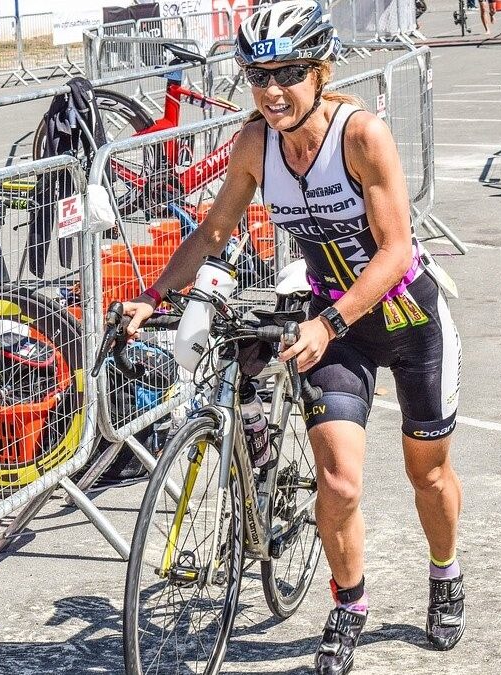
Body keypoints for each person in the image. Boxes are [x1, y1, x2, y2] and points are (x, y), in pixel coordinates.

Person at [121, 2, 465, 673]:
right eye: (258, 74)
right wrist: (151, 295)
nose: (272, 89)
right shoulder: (257, 143)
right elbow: (214, 231)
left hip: (408, 321)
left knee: (429, 474)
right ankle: (349, 603)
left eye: (288, 72)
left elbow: (396, 251)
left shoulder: (361, 135)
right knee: (337, 483)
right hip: (338, 333)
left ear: (319, 68)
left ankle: (445, 571)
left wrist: (329, 318)